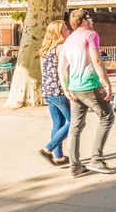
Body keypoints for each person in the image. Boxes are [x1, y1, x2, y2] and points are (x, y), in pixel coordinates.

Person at [58, 9, 115, 178]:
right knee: (107, 117)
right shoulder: (91, 35)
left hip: (74, 87)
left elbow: (62, 69)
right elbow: (97, 60)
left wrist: (66, 88)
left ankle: (75, 167)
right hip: (90, 85)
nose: (91, 21)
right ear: (83, 21)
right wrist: (107, 84)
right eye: (89, 18)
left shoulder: (67, 41)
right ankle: (96, 159)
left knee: (75, 126)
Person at [38, 20, 71, 166]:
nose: (68, 30)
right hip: (59, 90)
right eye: (65, 28)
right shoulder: (61, 47)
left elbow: (43, 73)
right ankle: (48, 148)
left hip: (47, 90)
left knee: (58, 123)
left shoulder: (44, 50)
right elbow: (65, 70)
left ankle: (59, 156)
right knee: (74, 122)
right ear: (58, 32)